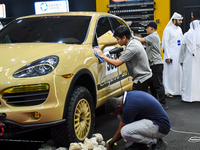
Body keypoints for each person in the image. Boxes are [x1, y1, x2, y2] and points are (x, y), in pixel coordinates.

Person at [104, 90, 171, 150]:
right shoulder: (127, 97)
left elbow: (121, 130)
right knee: (121, 116)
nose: (116, 114)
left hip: (161, 126)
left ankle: (157, 141)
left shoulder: (129, 107)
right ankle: (141, 144)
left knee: (125, 132)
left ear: (119, 107)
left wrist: (110, 143)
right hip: (153, 120)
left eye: (115, 112)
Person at [95, 25, 152, 92]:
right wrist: (122, 55)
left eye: (118, 39)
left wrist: (102, 56)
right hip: (145, 76)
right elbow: (132, 56)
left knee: (137, 101)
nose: (117, 41)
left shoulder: (132, 48)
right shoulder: (134, 42)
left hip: (141, 79)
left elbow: (117, 63)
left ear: (124, 38)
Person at [133, 21, 168, 109]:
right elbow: (144, 43)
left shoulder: (153, 36)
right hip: (153, 64)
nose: (146, 29)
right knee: (152, 85)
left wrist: (131, 36)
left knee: (158, 84)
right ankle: (156, 102)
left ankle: (163, 103)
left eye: (147, 27)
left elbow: (141, 40)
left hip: (156, 64)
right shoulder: (152, 37)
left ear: (152, 28)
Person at [162, 12, 183, 97]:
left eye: (181, 20)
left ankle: (178, 91)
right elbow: (166, 43)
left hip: (178, 55)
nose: (181, 22)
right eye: (179, 20)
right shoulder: (168, 29)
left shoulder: (179, 29)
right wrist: (168, 56)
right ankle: (169, 91)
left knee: (178, 73)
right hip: (170, 55)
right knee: (170, 74)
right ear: (174, 20)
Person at [179, 20, 200, 102]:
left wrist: (181, 60)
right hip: (198, 60)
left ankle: (188, 96)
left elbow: (182, 48)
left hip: (188, 60)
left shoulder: (187, 35)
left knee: (188, 77)